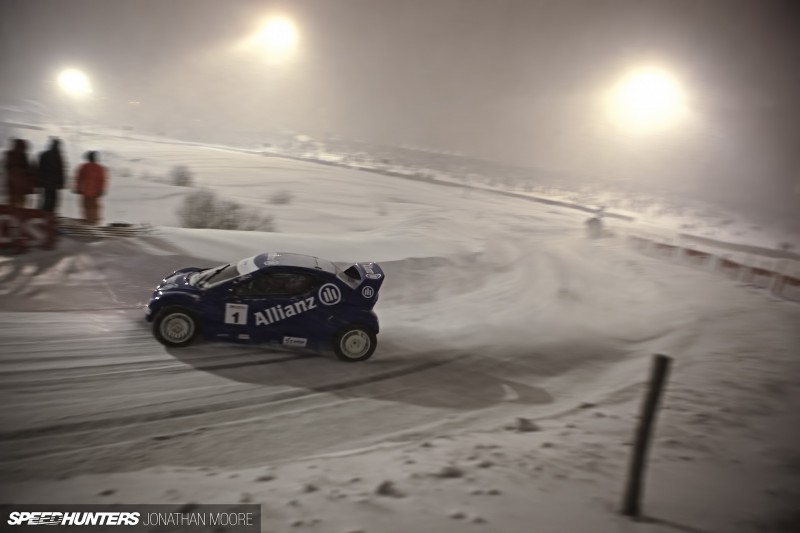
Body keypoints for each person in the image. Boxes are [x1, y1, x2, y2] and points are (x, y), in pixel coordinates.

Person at [73, 150, 108, 225]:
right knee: (94, 210)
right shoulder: (100, 168)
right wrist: (101, 190)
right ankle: (95, 225)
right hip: (95, 193)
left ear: (88, 158)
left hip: (85, 192)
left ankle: (88, 224)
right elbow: (103, 180)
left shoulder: (84, 167)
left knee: (86, 209)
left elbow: (79, 179)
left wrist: (78, 188)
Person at [37, 137, 66, 213]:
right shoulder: (58, 156)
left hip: (45, 182)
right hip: (54, 183)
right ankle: (49, 215)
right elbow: (61, 170)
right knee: (53, 200)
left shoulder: (44, 154)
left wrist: (38, 181)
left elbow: (39, 168)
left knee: (45, 199)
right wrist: (61, 183)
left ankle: (43, 214)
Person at [3, 138, 34, 208]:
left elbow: (7, 167)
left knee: (12, 201)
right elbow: (27, 170)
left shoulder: (9, 154)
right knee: (20, 202)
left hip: (12, 182)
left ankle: (12, 215)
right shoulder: (22, 156)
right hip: (20, 184)